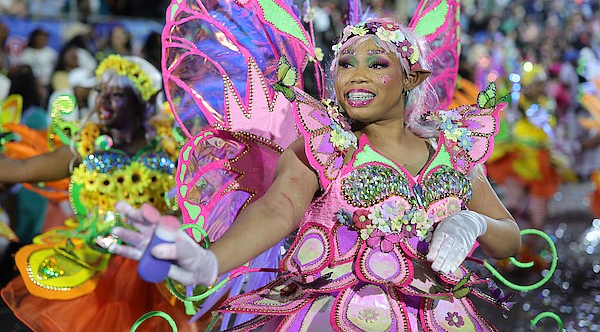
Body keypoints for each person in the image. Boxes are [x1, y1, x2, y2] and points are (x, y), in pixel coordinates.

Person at [111, 18, 521, 331]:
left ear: (411, 78)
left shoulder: (454, 149)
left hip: (436, 317)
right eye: (345, 64)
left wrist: (473, 221)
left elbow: (510, 238)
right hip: (337, 316)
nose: (356, 75)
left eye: (377, 63)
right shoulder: (325, 144)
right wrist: (210, 261)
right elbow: (277, 209)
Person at [0, 54, 192, 332]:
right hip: (88, 269)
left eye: (116, 95)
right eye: (101, 91)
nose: (102, 101)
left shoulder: (174, 155)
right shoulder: (85, 149)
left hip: (149, 276)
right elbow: (22, 169)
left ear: (143, 101)